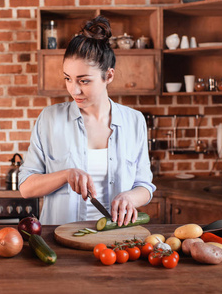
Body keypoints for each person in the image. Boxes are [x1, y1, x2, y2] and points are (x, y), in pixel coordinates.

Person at [19, 16, 156, 226]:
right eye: (68, 79)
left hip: (115, 240)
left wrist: (129, 197)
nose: (74, 90)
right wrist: (66, 175)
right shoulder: (49, 119)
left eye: (84, 81)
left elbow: (144, 186)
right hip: (60, 238)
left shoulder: (134, 121)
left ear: (108, 76)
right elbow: (26, 187)